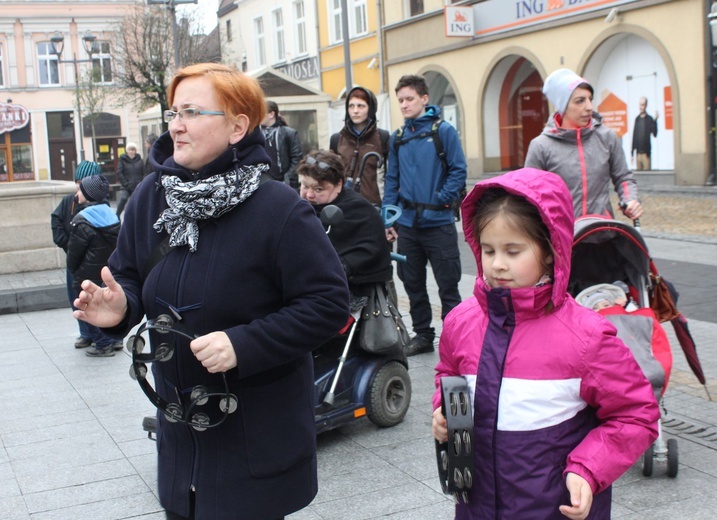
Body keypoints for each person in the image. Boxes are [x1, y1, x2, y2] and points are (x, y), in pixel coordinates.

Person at [73, 63, 349, 519]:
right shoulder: (150, 196)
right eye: (173, 112)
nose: (176, 125)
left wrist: (243, 343)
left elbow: (327, 304)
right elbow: (127, 276)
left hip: (254, 440)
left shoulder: (280, 209)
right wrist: (120, 306)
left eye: (192, 112)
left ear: (238, 125)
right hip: (182, 444)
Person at [432, 168, 660, 519]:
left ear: (551, 249)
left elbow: (636, 414)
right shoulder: (461, 322)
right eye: (489, 250)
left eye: (513, 251)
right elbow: (448, 373)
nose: (497, 265)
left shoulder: (586, 337)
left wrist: (588, 468)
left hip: (552, 508)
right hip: (476, 505)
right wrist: (443, 411)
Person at [382, 74, 467, 356]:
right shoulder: (398, 137)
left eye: (409, 99)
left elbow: (458, 170)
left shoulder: (443, 131)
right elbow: (392, 180)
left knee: (448, 285)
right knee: (413, 283)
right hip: (407, 225)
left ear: (424, 99)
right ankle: (422, 335)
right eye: (401, 100)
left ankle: (454, 337)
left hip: (439, 224)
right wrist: (388, 219)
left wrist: (442, 199)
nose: (404, 105)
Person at [525, 68, 643, 220]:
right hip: (563, 238)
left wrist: (630, 200)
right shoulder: (541, 146)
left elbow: (623, 177)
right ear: (562, 106)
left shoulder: (607, 137)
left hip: (602, 232)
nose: (589, 107)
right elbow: (529, 194)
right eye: (580, 101)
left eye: (590, 99)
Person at [297, 149, 392, 292]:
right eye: (305, 186)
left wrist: (340, 267)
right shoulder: (297, 208)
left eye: (318, 189)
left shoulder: (359, 211)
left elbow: (371, 249)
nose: (309, 195)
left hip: (358, 289)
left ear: (339, 185)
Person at [67, 175, 122, 357]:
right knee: (107, 303)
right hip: (108, 270)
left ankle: (103, 344)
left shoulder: (82, 219)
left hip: (87, 273)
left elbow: (74, 253)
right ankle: (114, 340)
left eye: (80, 190)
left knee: (92, 305)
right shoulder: (111, 215)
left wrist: (72, 270)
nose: (77, 193)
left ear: (88, 194)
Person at [51, 160, 103, 349]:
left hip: (93, 263)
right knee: (76, 298)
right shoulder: (68, 201)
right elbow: (56, 220)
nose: (80, 187)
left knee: (96, 299)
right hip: (74, 259)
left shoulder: (99, 205)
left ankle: (105, 337)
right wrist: (65, 243)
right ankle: (86, 333)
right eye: (78, 182)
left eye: (85, 183)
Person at [329, 86, 390, 206]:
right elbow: (331, 176)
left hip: (374, 205)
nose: (355, 111)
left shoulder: (383, 137)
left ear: (370, 109)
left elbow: (390, 177)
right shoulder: (337, 139)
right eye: (351, 106)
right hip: (344, 206)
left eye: (361, 106)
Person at [261, 100, 302, 189]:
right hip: (264, 182)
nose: (258, 116)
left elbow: (297, 158)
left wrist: (288, 178)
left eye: (261, 112)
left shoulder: (289, 133)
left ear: (271, 114)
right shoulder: (256, 134)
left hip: (286, 183)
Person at [115, 141, 144, 217]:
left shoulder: (140, 161)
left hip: (137, 186)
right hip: (126, 186)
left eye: (133, 149)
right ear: (127, 151)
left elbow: (144, 173)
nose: (131, 151)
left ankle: (137, 217)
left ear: (135, 151)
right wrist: (125, 184)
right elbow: (119, 172)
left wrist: (141, 183)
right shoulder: (122, 160)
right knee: (123, 198)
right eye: (130, 150)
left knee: (137, 202)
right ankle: (116, 215)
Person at [631, 97, 659, 171]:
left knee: (647, 178)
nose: (641, 107)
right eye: (640, 105)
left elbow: (655, 134)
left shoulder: (649, 119)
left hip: (646, 155)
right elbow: (634, 136)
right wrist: (632, 153)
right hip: (638, 155)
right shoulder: (637, 119)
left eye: (643, 105)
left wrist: (655, 121)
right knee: (639, 178)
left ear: (646, 105)